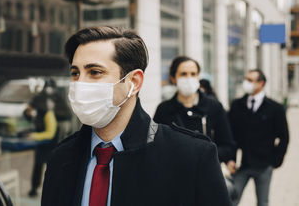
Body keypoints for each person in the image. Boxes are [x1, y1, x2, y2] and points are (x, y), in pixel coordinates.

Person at [41, 26, 232, 206]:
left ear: (133, 82)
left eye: (95, 72)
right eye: (75, 73)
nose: (80, 83)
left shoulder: (193, 156)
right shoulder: (60, 158)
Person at [153, 56, 235, 164]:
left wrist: (205, 154)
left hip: (207, 172)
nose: (189, 78)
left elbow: (227, 146)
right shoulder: (163, 110)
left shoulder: (214, 106)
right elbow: (154, 145)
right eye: (183, 74)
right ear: (173, 78)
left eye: (193, 74)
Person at [228, 69, 289, 206]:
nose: (246, 83)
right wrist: (230, 159)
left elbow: (284, 137)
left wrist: (275, 161)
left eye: (250, 80)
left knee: (263, 202)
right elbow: (230, 135)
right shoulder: (237, 105)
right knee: (231, 199)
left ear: (261, 84)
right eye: (246, 79)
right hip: (242, 165)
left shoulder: (275, 108)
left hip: (264, 165)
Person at [24, 79, 58, 197]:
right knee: (38, 165)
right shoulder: (39, 99)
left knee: (52, 166)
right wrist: (28, 112)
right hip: (41, 137)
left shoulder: (57, 99)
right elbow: (28, 111)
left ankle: (52, 190)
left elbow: (65, 115)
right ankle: (35, 188)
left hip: (53, 140)